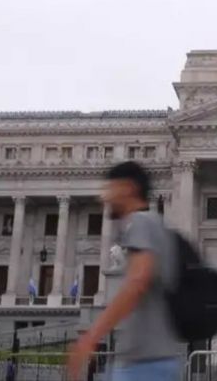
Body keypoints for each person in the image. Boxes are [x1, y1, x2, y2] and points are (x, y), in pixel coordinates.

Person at [67, 161, 184, 381]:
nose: (105, 196)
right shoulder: (156, 225)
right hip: (150, 359)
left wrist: (91, 336)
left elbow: (137, 283)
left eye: (110, 187)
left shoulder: (141, 223)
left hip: (145, 364)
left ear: (127, 188)